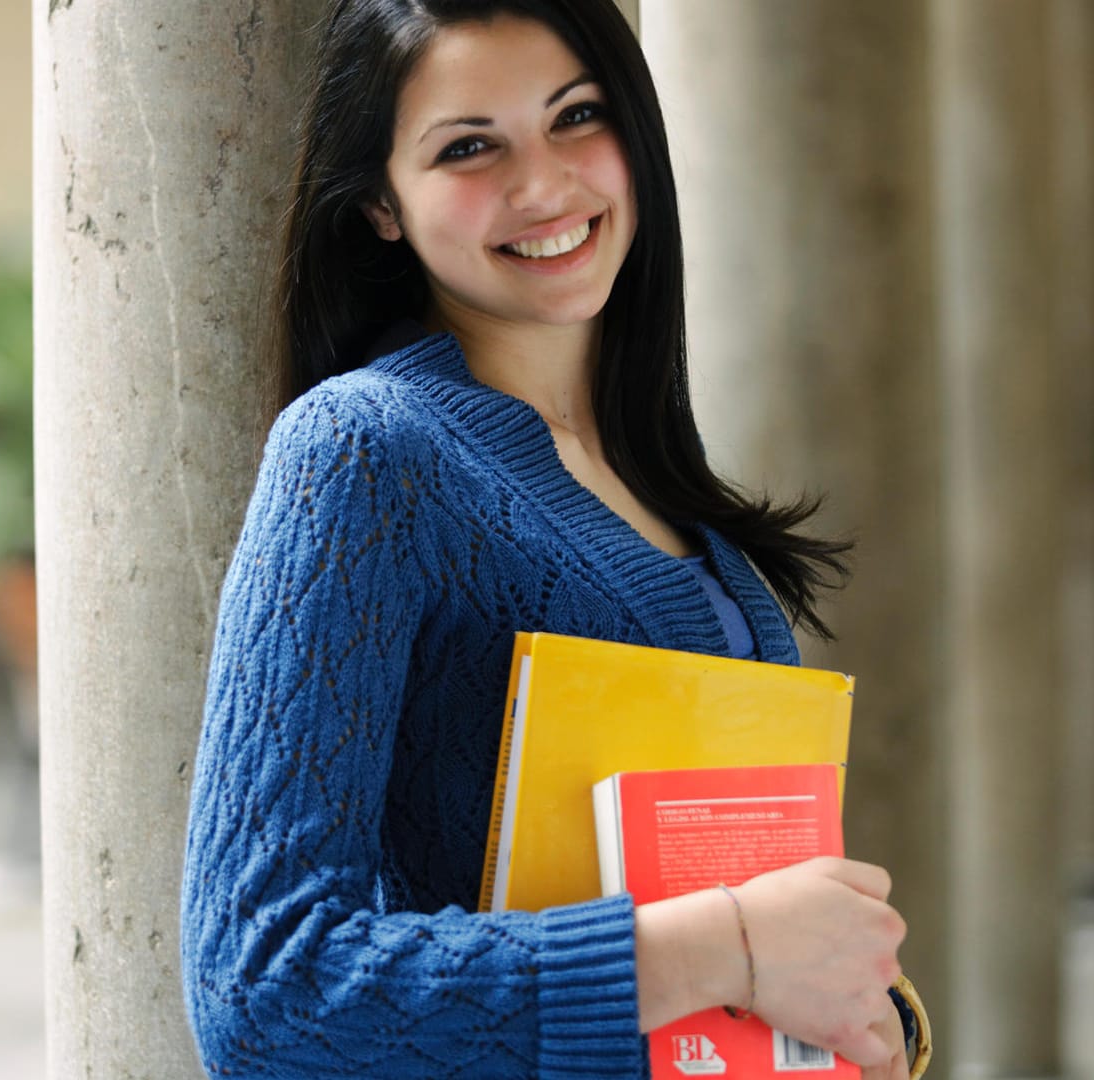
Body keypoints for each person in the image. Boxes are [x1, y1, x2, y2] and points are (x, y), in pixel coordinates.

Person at [181, 1, 923, 1077]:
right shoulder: (362, 451)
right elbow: (262, 985)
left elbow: (744, 892)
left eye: (577, 116)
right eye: (470, 146)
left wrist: (877, 1015)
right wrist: (730, 947)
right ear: (384, 204)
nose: (545, 186)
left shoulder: (650, 470)